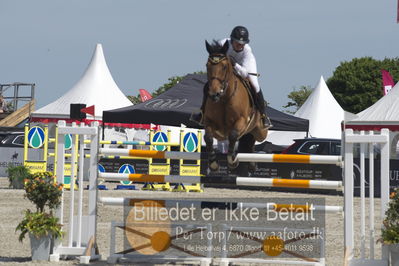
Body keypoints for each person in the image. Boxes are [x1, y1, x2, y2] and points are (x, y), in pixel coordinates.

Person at [191, 25, 269, 127]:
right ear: (232, 40)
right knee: (209, 85)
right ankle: (202, 113)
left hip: (243, 67)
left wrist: (234, 65)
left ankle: (263, 116)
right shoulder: (223, 44)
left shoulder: (247, 51)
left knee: (255, 85)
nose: (241, 46)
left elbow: (245, 73)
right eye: (238, 43)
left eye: (243, 44)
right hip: (226, 69)